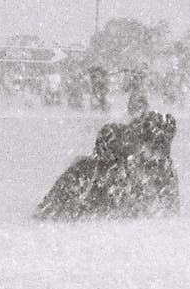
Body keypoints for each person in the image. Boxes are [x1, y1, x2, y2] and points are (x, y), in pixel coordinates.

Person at [34, 94, 180, 220]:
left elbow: (169, 211)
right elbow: (48, 211)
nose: (154, 157)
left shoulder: (162, 169)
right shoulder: (87, 171)